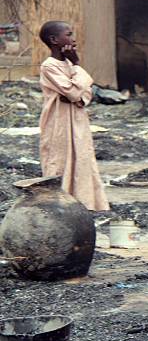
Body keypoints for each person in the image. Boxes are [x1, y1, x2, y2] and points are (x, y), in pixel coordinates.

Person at [38, 21, 109, 211]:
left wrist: (75, 91)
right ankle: (58, 204)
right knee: (59, 159)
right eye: (68, 34)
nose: (73, 39)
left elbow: (85, 94)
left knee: (81, 157)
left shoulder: (69, 64)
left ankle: (83, 203)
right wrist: (76, 73)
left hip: (77, 119)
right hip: (58, 122)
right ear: (54, 40)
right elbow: (73, 92)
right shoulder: (49, 66)